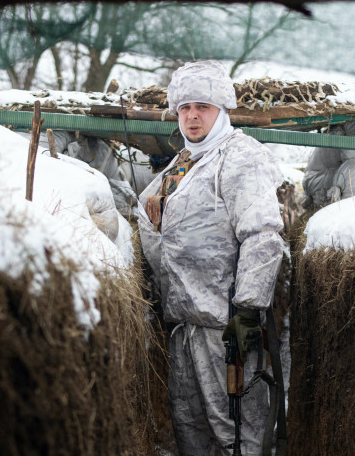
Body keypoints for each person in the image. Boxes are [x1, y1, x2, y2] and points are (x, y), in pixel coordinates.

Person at [137, 60, 285, 455]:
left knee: (235, 432)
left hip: (225, 329)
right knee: (190, 430)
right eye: (184, 108)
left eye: (202, 106)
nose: (192, 116)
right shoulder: (181, 165)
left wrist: (249, 309)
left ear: (222, 109)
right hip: (184, 324)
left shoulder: (239, 158)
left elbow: (263, 234)